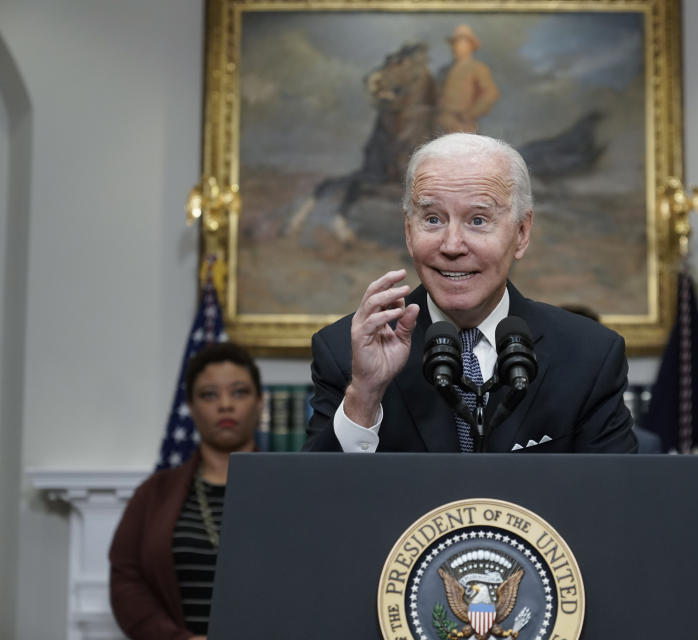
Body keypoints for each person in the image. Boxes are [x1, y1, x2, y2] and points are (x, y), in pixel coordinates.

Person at [305, 132, 637, 454]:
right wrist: (365, 394)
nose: (451, 246)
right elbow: (318, 501)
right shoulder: (345, 353)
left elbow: (614, 500)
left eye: (478, 220)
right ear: (408, 232)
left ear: (521, 233)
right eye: (433, 219)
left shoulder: (588, 355)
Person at [109, 342, 264, 640]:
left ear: (259, 403)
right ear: (191, 408)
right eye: (209, 394)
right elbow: (126, 581)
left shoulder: (287, 490)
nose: (225, 404)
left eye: (239, 391)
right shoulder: (153, 494)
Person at [436, 24, 500, 134]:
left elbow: (491, 93)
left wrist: (471, 114)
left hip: (462, 124)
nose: (455, 47)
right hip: (440, 124)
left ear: (470, 46)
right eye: (454, 44)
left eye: (460, 43)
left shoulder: (477, 67)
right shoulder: (446, 70)